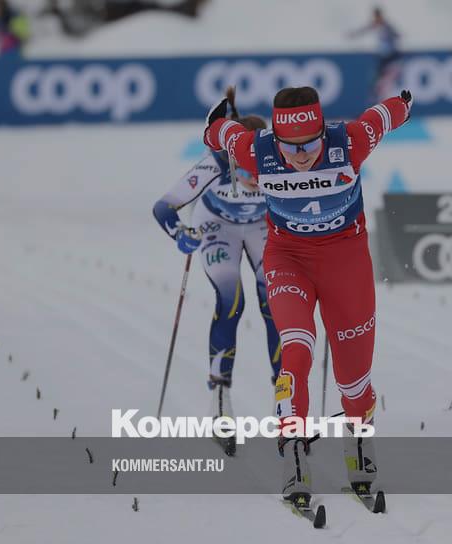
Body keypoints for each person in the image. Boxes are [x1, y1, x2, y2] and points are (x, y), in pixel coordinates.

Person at [203, 85, 412, 505]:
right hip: (287, 259)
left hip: (346, 262)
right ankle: (293, 452)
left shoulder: (350, 140)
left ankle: (358, 444)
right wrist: (215, 122)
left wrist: (404, 102)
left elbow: (385, 115)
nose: (301, 155)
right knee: (295, 352)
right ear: (275, 140)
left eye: (311, 143)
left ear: (324, 132)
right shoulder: (254, 150)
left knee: (354, 383)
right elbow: (217, 133)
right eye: (290, 147)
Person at [152, 91, 281, 455]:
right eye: (249, 173)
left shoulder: (277, 159)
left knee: (276, 302)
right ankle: (220, 398)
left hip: (259, 226)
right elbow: (163, 207)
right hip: (217, 226)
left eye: (261, 173)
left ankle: (284, 399)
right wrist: (181, 233)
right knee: (231, 301)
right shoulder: (215, 164)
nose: (257, 180)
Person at [348, 6, 402, 103]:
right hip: (383, 60)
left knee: (387, 84)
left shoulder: (387, 26)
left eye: (378, 17)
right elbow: (365, 29)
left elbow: (397, 36)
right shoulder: (377, 25)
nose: (376, 19)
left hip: (392, 59)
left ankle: (388, 104)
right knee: (376, 83)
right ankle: (377, 103)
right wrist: (353, 34)